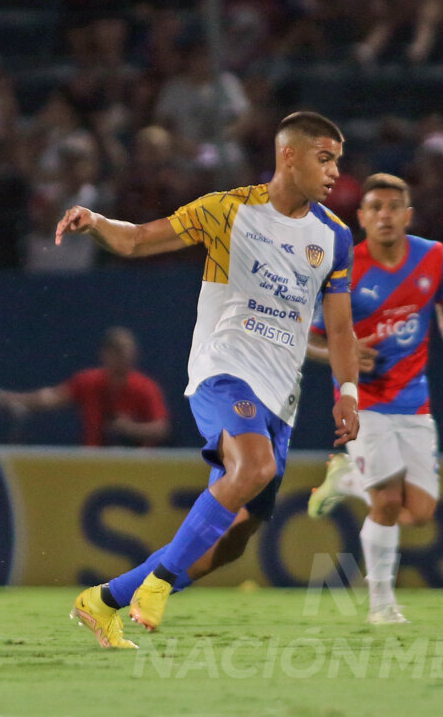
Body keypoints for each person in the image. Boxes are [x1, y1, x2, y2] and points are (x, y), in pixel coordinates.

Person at [59, 111, 361, 649]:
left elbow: (339, 327)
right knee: (257, 465)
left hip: (280, 398)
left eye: (338, 160)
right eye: (325, 158)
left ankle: (102, 601)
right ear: (288, 156)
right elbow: (138, 240)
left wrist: (348, 392)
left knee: (232, 541)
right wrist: (96, 221)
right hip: (223, 371)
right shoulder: (228, 211)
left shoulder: (334, 237)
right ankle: (157, 583)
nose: (336, 171)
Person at [306, 172, 443, 623]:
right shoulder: (343, 270)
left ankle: (347, 480)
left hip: (414, 403)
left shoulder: (433, 257)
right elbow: (306, 339)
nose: (385, 216)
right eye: (375, 208)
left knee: (420, 513)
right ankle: (382, 605)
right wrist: (339, 353)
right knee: (386, 501)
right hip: (361, 402)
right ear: (362, 218)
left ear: (407, 215)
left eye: (393, 207)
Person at [1, 326, 169, 447]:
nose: (123, 358)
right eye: (117, 352)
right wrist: (16, 399)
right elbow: (52, 398)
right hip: (92, 462)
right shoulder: (88, 381)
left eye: (127, 352)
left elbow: (161, 429)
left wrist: (131, 429)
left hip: (135, 464)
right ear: (105, 354)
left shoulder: (145, 387)